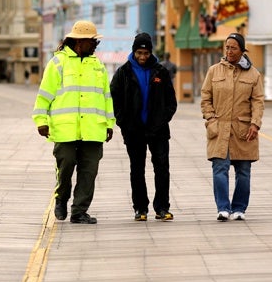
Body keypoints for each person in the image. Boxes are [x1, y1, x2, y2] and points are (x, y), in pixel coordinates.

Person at [32, 20, 115, 224]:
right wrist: (41, 121)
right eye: (92, 41)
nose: (95, 45)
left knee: (89, 172)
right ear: (80, 41)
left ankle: (79, 211)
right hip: (65, 129)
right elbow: (44, 96)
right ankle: (61, 197)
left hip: (93, 129)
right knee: (66, 165)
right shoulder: (57, 63)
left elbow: (106, 97)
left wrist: (109, 123)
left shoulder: (97, 66)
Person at [110, 33, 177, 221]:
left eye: (146, 53)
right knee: (137, 169)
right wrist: (124, 123)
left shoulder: (160, 72)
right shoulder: (123, 73)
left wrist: (162, 120)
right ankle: (140, 208)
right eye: (139, 52)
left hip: (159, 131)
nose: (142, 57)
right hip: (134, 131)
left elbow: (171, 101)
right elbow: (114, 100)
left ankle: (162, 207)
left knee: (162, 168)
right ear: (134, 51)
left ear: (150, 52)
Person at [200, 32, 265, 222]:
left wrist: (255, 124)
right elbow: (206, 98)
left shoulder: (253, 74)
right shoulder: (214, 71)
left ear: (242, 50)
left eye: (233, 47)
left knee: (243, 171)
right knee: (219, 168)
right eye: (226, 47)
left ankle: (239, 208)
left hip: (243, 130)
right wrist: (211, 119)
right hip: (219, 129)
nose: (229, 51)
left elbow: (258, 101)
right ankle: (223, 208)